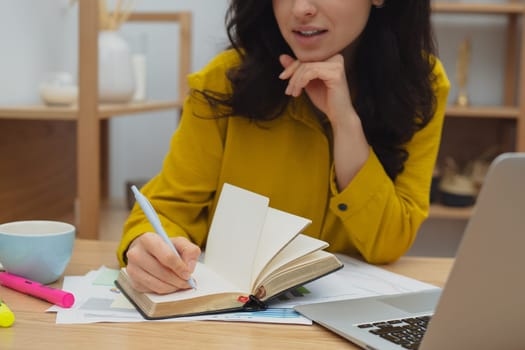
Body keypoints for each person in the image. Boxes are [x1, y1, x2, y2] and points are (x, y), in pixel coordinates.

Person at [117, 0, 450, 294]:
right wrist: (147, 248)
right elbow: (165, 212)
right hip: (232, 323)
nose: (300, 9)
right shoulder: (224, 80)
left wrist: (346, 122)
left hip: (347, 321)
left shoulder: (420, 86)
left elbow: (388, 242)